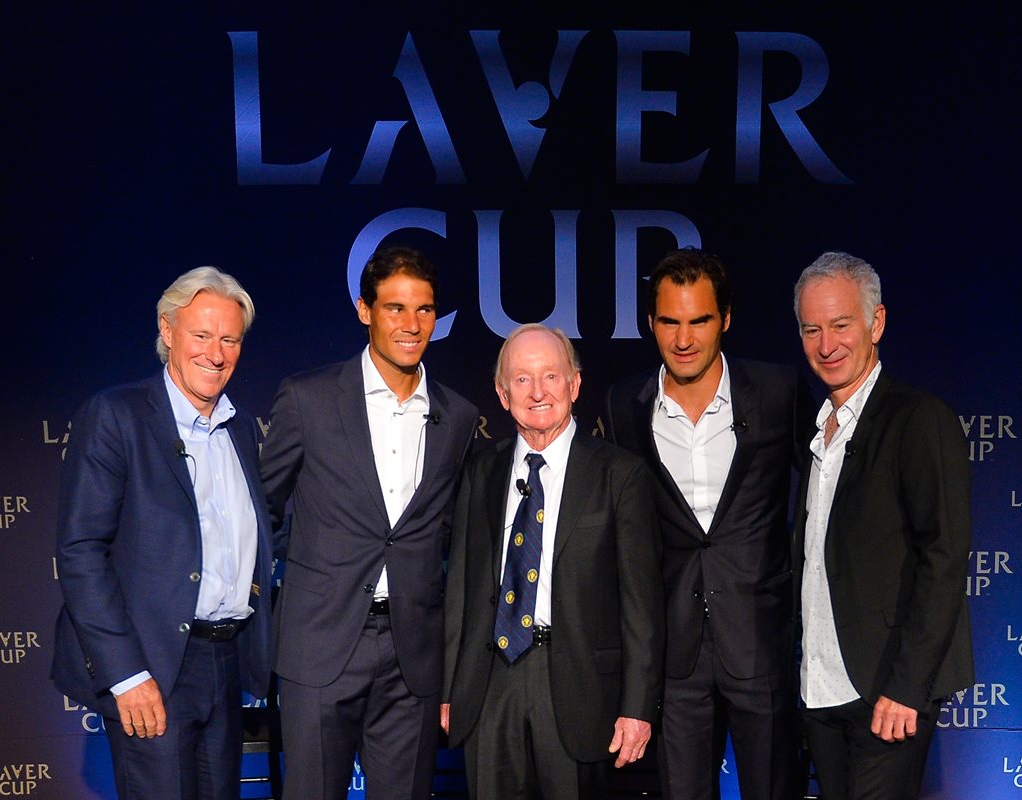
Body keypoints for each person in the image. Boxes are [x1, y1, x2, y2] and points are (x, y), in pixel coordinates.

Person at [259, 245, 478, 800]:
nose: (411, 324)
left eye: (424, 310)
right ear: (365, 310)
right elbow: (263, 509)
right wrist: (306, 577)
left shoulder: (458, 416)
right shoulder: (308, 399)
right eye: (395, 308)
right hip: (320, 642)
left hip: (413, 654)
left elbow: (452, 531)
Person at [52, 267, 275, 800]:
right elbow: (82, 551)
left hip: (226, 661)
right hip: (151, 665)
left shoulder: (243, 428)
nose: (215, 354)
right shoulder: (117, 416)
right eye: (202, 335)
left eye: (230, 340)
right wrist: (127, 675)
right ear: (167, 330)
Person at [605, 248, 814, 800]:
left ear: (725, 319)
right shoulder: (625, 404)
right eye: (669, 321)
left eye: (699, 321)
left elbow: (828, 490)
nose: (683, 339)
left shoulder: (778, 392)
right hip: (675, 652)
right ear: (650, 323)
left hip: (760, 639)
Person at [442, 324, 664, 800]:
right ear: (502, 394)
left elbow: (642, 605)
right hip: (489, 685)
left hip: (579, 687)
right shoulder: (480, 471)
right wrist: (449, 689)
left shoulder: (620, 474)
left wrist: (638, 707)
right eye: (522, 379)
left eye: (550, 376)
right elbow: (460, 588)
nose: (537, 392)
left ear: (575, 385)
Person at [792, 251, 973, 800]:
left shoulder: (918, 419)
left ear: (877, 323)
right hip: (819, 690)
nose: (827, 345)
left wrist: (908, 687)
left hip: (886, 689)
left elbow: (943, 558)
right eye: (812, 330)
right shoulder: (815, 430)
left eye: (841, 325)